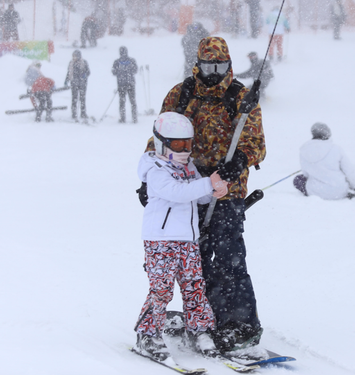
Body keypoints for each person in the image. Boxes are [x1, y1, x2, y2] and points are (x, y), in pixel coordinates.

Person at [145, 36, 266, 353]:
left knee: (229, 258)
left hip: (228, 191)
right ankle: (204, 318)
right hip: (186, 189)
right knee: (192, 262)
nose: (214, 73)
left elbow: (256, 145)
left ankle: (240, 324)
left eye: (221, 66)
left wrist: (238, 162)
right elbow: (160, 135)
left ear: (229, 65)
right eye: (208, 65)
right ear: (196, 64)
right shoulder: (181, 94)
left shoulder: (240, 97)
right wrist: (149, 179)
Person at [135, 112, 228, 360]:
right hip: (161, 240)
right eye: (178, 144)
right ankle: (148, 334)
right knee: (161, 289)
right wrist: (208, 183)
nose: (184, 149)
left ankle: (200, 330)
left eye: (188, 143)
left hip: (188, 240)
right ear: (162, 143)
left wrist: (215, 190)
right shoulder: (155, 168)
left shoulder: (189, 168)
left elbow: (198, 196)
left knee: (194, 286)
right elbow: (175, 192)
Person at [293, 123, 355, 200]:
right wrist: (354, 186)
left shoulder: (304, 151)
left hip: (315, 192)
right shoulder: (336, 149)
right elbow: (349, 171)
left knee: (298, 179)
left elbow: (306, 174)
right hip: (340, 192)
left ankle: (319, 192)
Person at [112, 46, 138, 123]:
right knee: (132, 101)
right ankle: (134, 118)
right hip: (131, 84)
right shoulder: (131, 60)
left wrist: (120, 72)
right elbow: (135, 70)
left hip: (121, 84)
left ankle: (123, 118)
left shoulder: (117, 62)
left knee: (122, 102)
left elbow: (114, 72)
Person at [64, 50, 91, 121]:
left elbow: (88, 72)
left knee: (82, 99)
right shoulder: (71, 63)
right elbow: (69, 72)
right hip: (74, 83)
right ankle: (74, 113)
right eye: (73, 56)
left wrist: (84, 75)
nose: (73, 57)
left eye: (75, 56)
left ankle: (83, 113)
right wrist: (66, 80)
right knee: (74, 99)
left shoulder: (84, 62)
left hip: (82, 84)